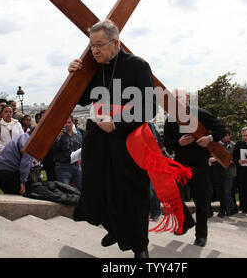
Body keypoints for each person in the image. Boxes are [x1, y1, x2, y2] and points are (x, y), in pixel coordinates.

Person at [69, 19, 156, 258]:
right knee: (96, 189)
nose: (94, 50)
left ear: (116, 43)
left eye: (99, 45)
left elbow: (149, 108)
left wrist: (117, 124)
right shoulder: (93, 67)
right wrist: (74, 74)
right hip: (98, 139)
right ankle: (114, 229)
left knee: (131, 194)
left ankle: (140, 246)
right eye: (91, 46)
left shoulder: (138, 66)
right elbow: (83, 99)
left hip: (128, 140)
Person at [163, 88, 227, 247]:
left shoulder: (201, 114)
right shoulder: (170, 119)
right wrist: (178, 143)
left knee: (201, 202)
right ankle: (186, 221)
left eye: (180, 98)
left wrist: (209, 138)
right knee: (171, 194)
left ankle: (201, 236)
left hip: (200, 166)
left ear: (188, 99)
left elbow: (221, 129)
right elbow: (166, 143)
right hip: (180, 165)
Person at [52, 116, 82, 190]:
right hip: (63, 167)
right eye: (65, 123)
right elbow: (54, 150)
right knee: (65, 190)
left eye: (69, 122)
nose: (67, 124)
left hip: (76, 166)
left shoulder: (76, 136)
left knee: (80, 188)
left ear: (72, 123)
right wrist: (57, 139)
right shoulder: (58, 135)